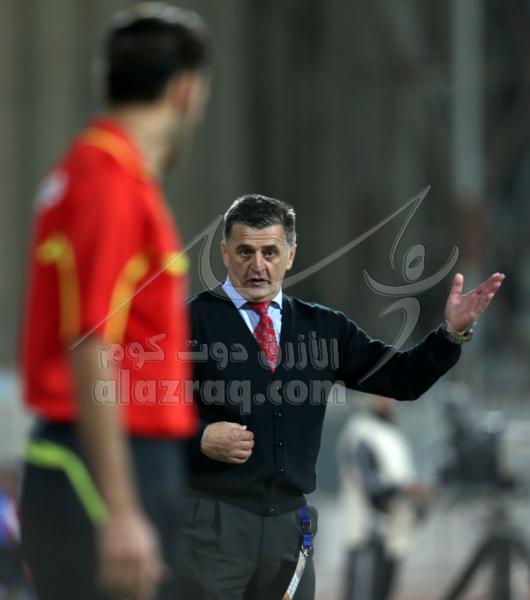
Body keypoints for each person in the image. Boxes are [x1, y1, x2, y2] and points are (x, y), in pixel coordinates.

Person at [182, 194, 504, 600]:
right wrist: (199, 437)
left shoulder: (325, 327)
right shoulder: (186, 323)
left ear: (291, 255)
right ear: (225, 253)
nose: (258, 265)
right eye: (245, 251)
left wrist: (450, 334)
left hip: (289, 531)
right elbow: (139, 414)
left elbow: (402, 379)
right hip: (214, 528)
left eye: (270, 252)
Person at [19, 4, 211, 600]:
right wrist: (122, 511)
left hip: (99, 457)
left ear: (106, 84)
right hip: (106, 465)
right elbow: (90, 341)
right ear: (185, 90)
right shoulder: (110, 184)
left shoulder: (96, 173)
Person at [337, 395, 432, 600]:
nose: (387, 400)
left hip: (392, 532)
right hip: (367, 534)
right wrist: (406, 489)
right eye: (380, 396)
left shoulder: (391, 431)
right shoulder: (361, 431)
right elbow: (369, 485)